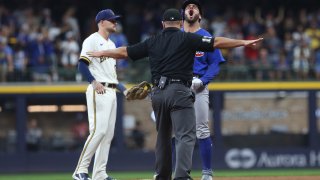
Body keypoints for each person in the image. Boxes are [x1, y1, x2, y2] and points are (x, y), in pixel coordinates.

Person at [87, 8, 263, 180]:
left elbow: (124, 51)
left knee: (163, 137)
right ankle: (181, 176)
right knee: (185, 136)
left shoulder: (152, 41)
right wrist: (243, 42)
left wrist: (103, 53)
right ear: (180, 23)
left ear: (163, 24)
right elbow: (216, 42)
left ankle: (162, 175)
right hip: (179, 92)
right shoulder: (187, 38)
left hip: (157, 94)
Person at [174, 1, 225, 180]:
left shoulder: (206, 36)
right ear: (182, 14)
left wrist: (203, 80)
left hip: (199, 85)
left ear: (200, 15)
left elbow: (215, 64)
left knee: (202, 130)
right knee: (176, 131)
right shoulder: (175, 36)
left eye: (195, 6)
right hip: (177, 85)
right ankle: (175, 172)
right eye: (188, 6)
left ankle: (207, 173)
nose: (191, 8)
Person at [72, 9, 123, 180]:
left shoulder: (112, 45)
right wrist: (93, 82)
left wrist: (125, 90)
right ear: (101, 22)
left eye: (115, 20)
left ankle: (100, 173)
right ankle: (80, 170)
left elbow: (113, 77)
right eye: (112, 20)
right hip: (98, 90)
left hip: (111, 90)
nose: (115, 22)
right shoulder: (92, 40)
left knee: (108, 135)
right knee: (98, 131)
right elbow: (82, 65)